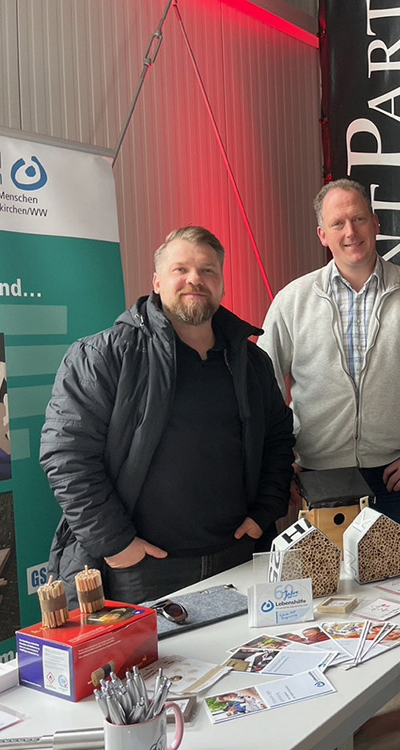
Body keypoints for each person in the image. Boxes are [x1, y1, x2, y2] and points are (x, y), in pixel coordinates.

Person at [41, 226, 295, 607]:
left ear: (222, 285)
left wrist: (265, 513)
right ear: (157, 281)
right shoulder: (105, 356)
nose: (195, 279)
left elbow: (278, 439)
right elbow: (66, 456)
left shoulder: (251, 362)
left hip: (237, 559)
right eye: (181, 269)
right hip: (142, 572)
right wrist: (116, 544)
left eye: (208, 271)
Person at [258, 179, 400, 528]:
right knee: (323, 582)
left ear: (376, 223)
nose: (350, 232)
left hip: (397, 479)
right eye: (337, 223)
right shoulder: (291, 301)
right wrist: (281, 461)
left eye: (359, 219)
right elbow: (261, 392)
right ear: (322, 235)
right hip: (316, 479)